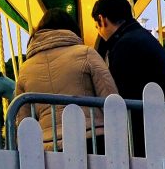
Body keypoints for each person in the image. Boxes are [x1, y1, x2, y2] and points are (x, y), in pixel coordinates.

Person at [91, 0, 165, 156]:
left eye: (97, 27)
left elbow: (120, 94)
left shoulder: (125, 46)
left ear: (102, 20)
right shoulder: (142, 38)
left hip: (147, 135)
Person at [14, 8, 118, 147]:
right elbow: (109, 96)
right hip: (91, 136)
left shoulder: (25, 68)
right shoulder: (86, 53)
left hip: (48, 144)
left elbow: (23, 118)